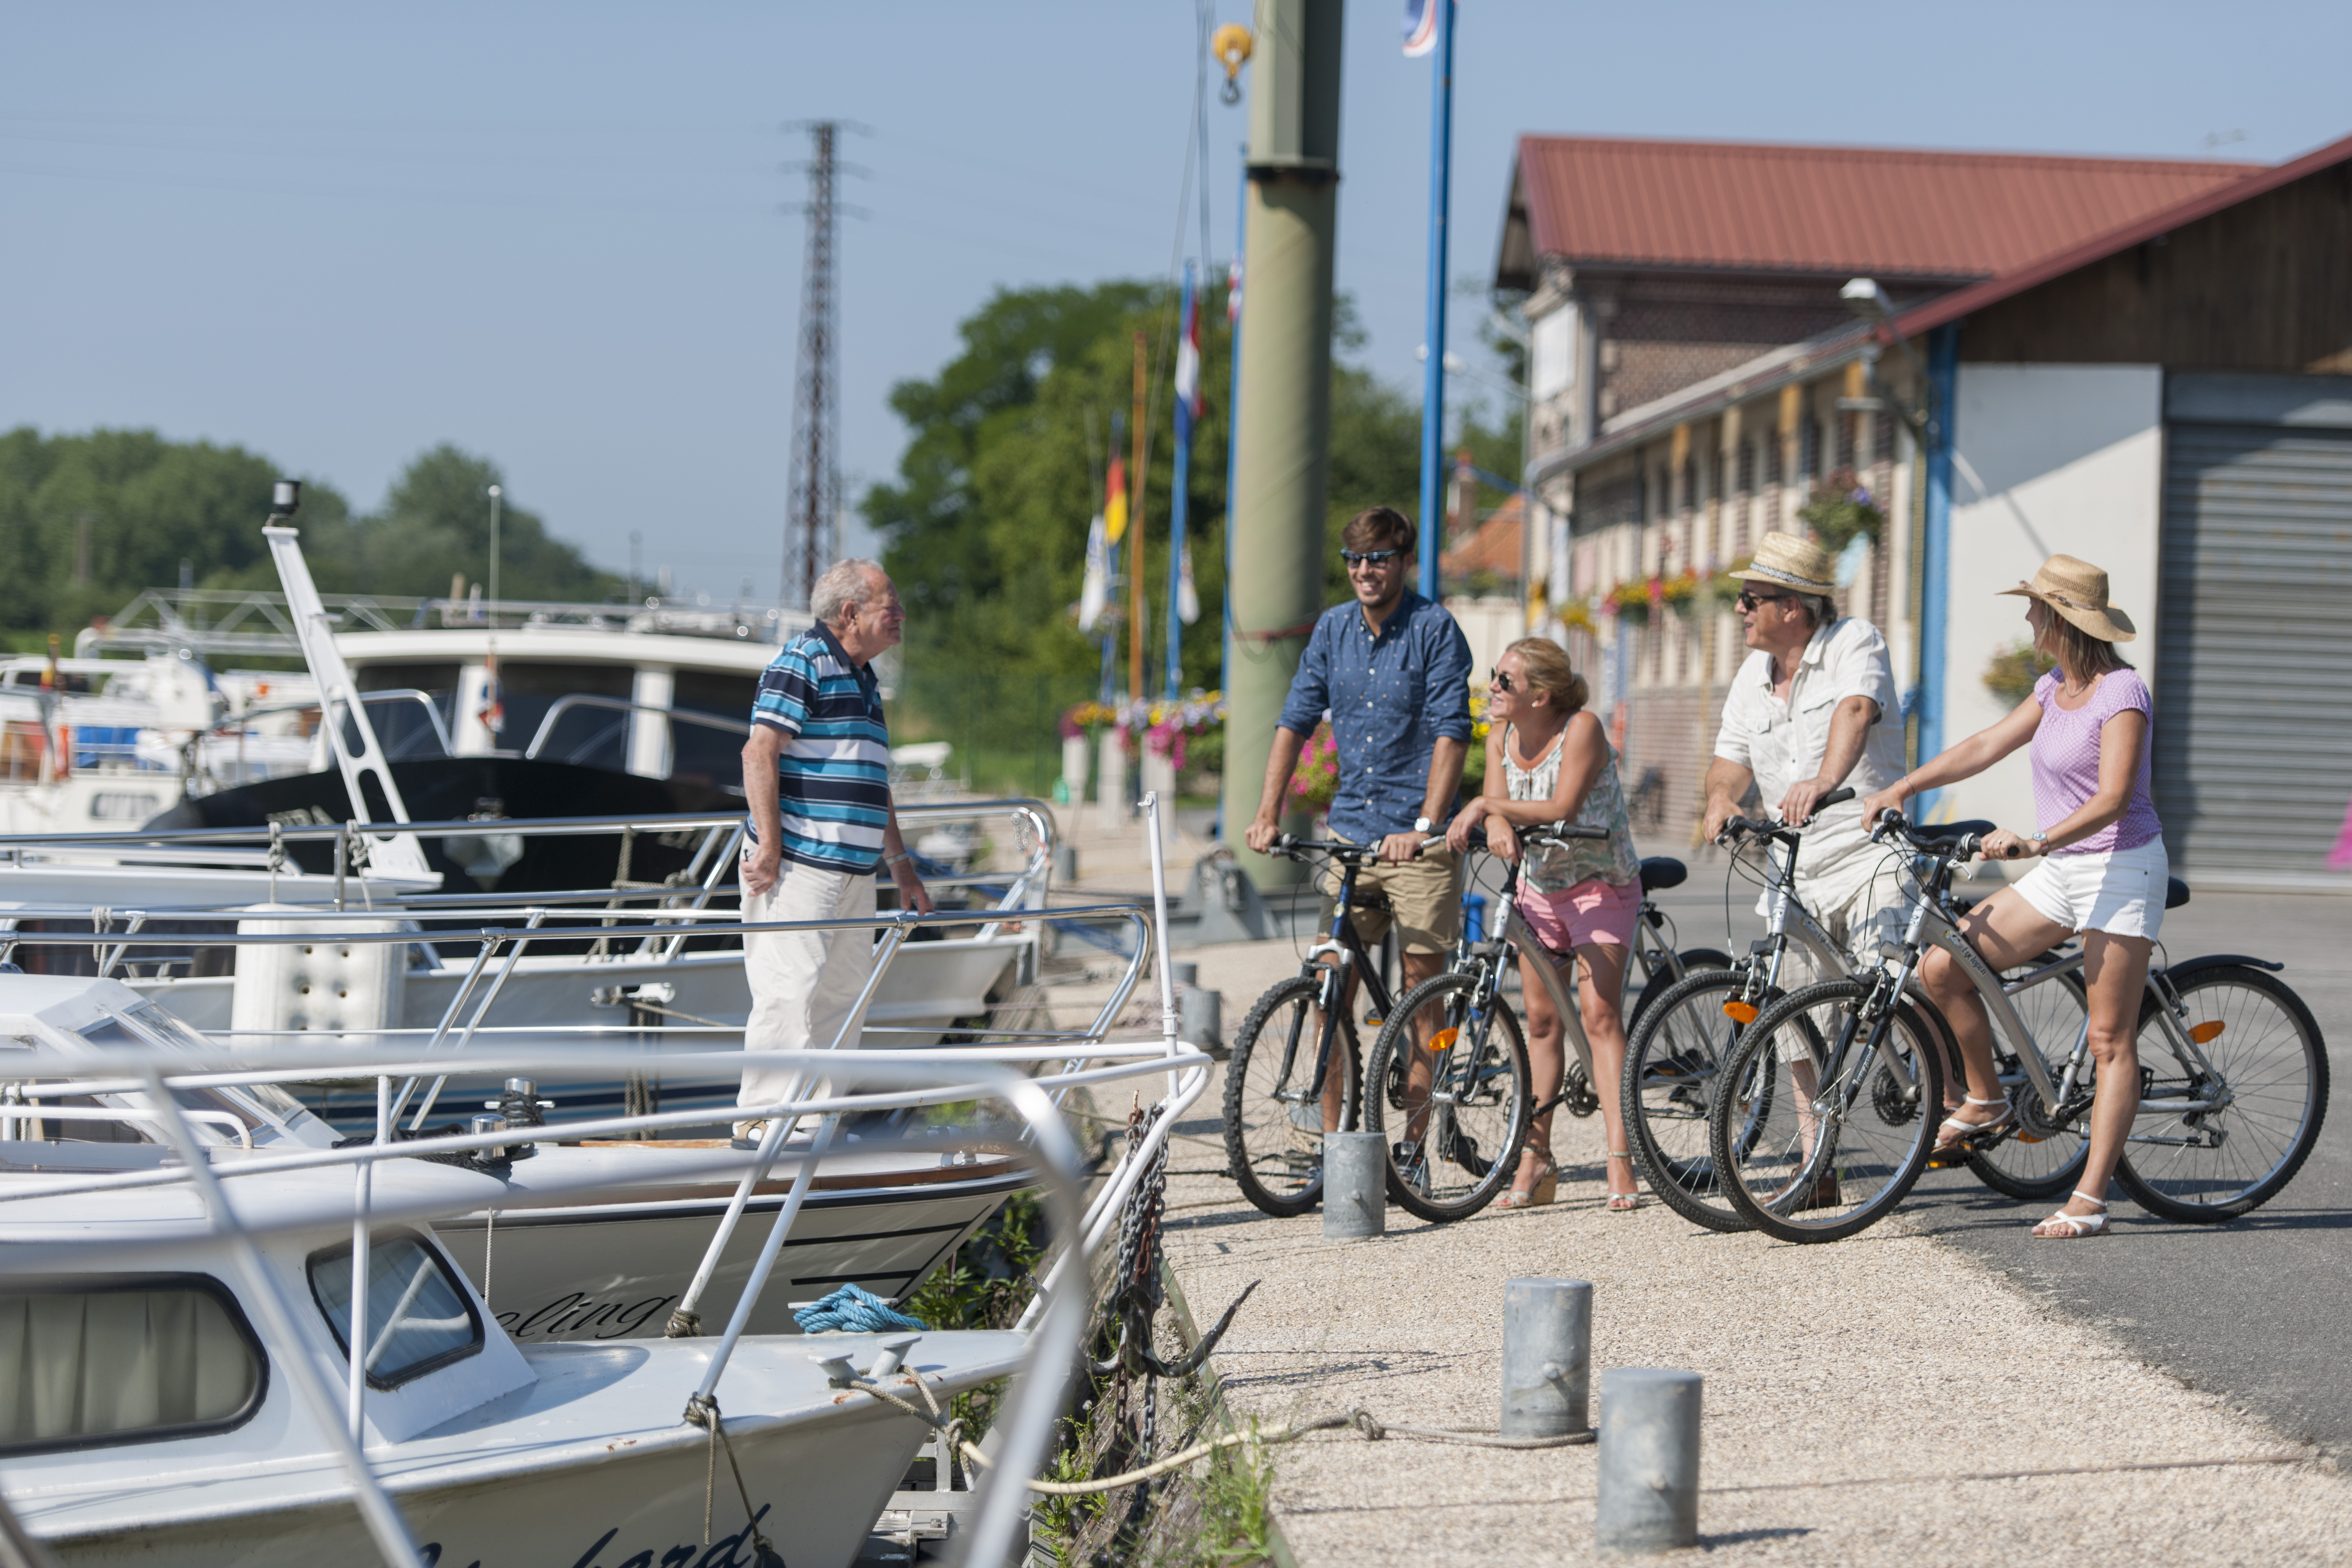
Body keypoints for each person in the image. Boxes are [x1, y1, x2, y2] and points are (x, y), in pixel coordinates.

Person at [1864, 555, 2162, 1239]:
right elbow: (1986, 742)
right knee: (1944, 968)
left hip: (2118, 866)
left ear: (2060, 618)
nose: (2027, 617)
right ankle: (1987, 1098)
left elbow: (2115, 798)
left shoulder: (2122, 692)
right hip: (2063, 864)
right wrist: (1901, 788)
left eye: (2033, 607)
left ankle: (2089, 1199)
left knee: (2108, 1037)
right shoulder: (2054, 685)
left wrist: (2036, 840)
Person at [1244, 506, 1473, 1127]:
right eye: (1354, 560)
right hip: (1351, 834)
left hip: (1417, 844)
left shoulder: (1435, 629)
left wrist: (1426, 826)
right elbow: (1295, 721)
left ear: (1404, 562)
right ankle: (1333, 1145)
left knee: (1421, 996)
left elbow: (1454, 733)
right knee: (1328, 990)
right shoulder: (1333, 629)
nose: (1365, 570)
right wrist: (1267, 813)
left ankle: (1415, 1148)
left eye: (1378, 558)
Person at [736, 559, 932, 1146]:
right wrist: (770, 846)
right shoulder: (803, 661)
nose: (900, 616)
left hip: (852, 870)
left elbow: (873, 784)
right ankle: (761, 1130)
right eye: (888, 606)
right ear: (850, 613)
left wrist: (901, 867)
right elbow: (759, 753)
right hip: (799, 864)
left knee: (844, 1000)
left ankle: (815, 1130)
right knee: (788, 995)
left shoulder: (865, 677)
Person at [1446, 638, 1644, 1209]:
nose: (1495, 687)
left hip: (1600, 886)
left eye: (1507, 680)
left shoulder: (1581, 728)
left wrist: (1487, 809)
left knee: (1600, 1016)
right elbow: (1499, 800)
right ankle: (1537, 1157)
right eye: (1495, 676)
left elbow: (1560, 807)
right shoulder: (1500, 735)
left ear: (1543, 694)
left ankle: (1620, 1157)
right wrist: (1494, 813)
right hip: (1540, 889)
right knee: (1539, 1024)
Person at [1703, 532, 1908, 985]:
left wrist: (1824, 781)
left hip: (1866, 860)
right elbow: (1732, 756)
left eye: (1750, 600)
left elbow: (1856, 709)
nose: (1740, 609)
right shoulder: (1750, 674)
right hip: (1791, 871)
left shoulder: (1855, 641)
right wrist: (1720, 798)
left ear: (1791, 607)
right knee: (1798, 1030)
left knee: (1888, 1014)